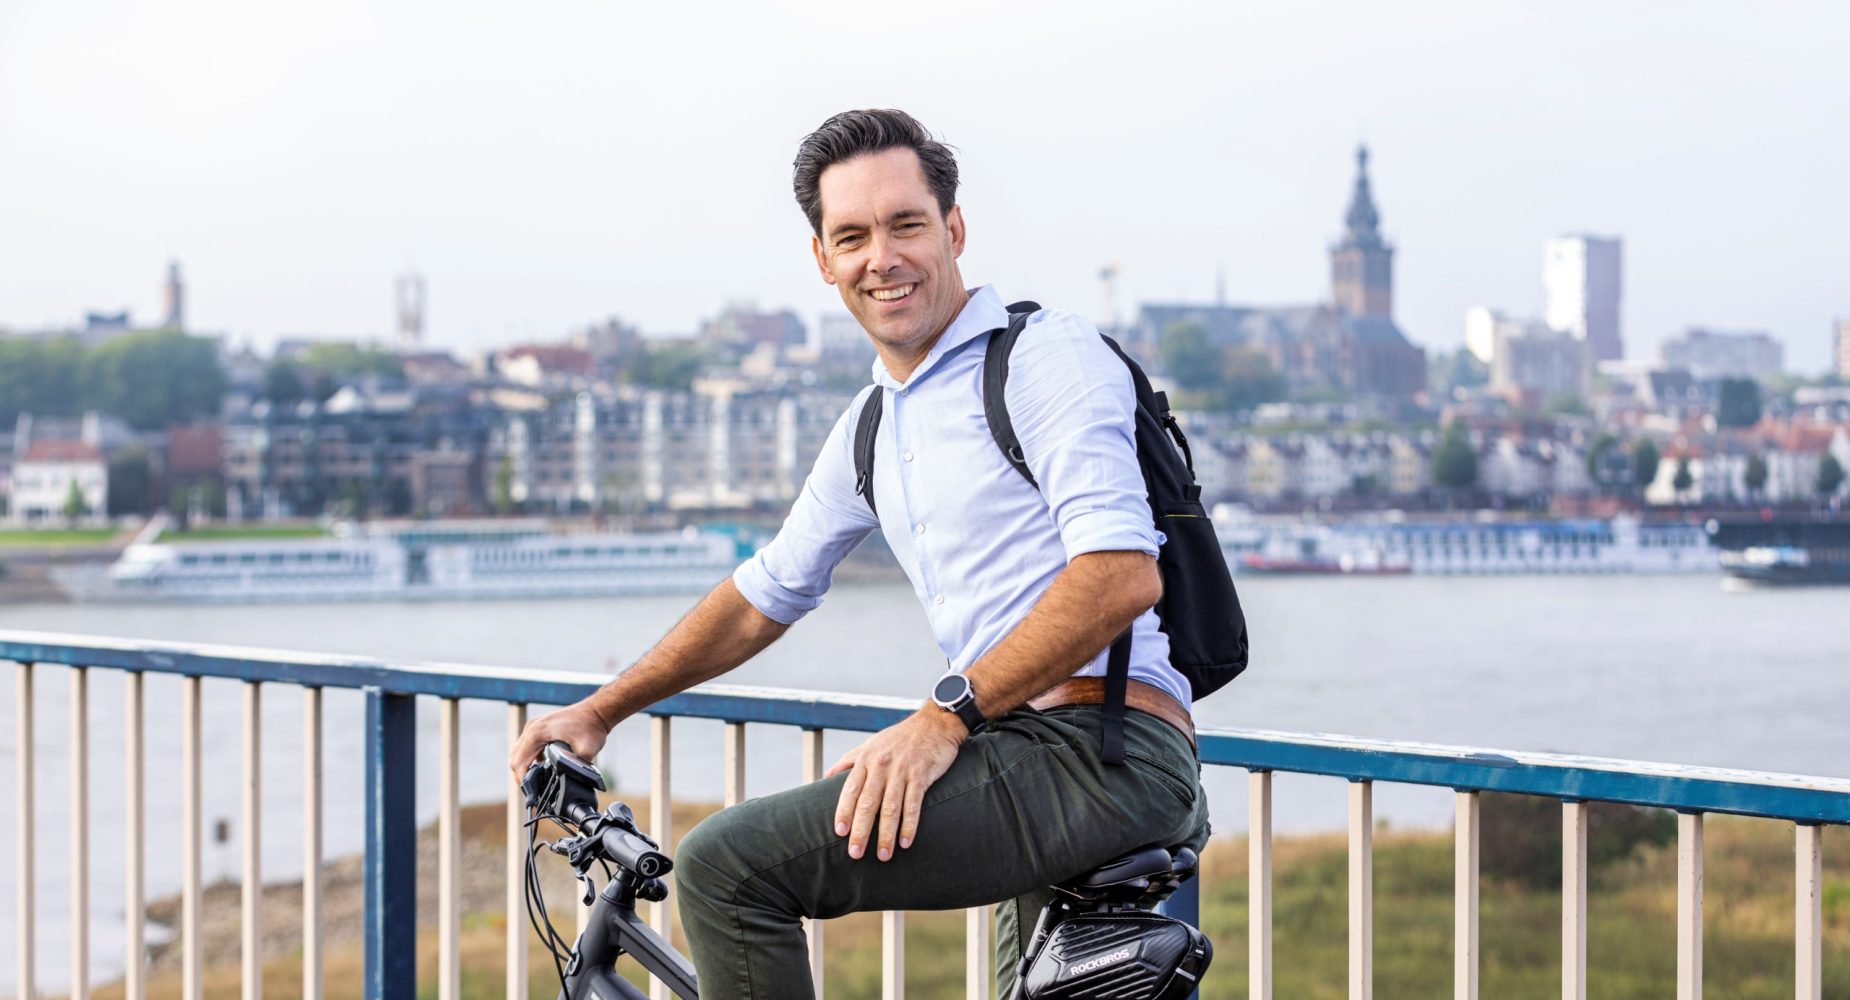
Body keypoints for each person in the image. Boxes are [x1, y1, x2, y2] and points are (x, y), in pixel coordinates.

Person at [510, 108, 1208, 999]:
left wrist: (939, 721)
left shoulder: (1042, 358)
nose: (883, 256)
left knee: (727, 868)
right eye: (853, 236)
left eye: (906, 224)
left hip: (1102, 751)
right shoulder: (874, 426)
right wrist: (601, 712)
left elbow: (1118, 574)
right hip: (1016, 748)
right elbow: (765, 593)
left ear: (953, 230)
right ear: (823, 260)